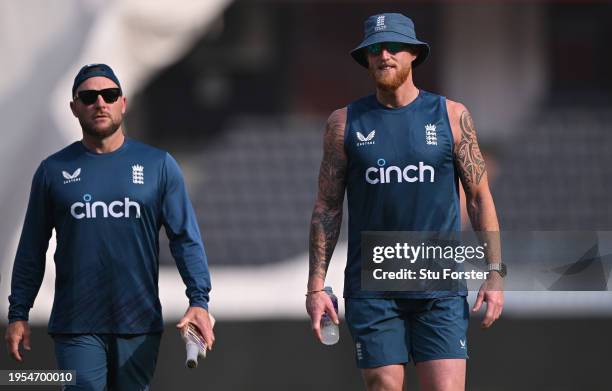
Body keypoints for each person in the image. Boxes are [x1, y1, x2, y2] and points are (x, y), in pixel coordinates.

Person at [306, 13, 505, 391]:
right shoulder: (343, 123)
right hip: (374, 285)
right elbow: (326, 207)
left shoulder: (452, 116)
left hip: (438, 283)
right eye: (374, 49)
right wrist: (316, 285)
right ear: (366, 60)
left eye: (394, 46)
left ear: (413, 54)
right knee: (383, 384)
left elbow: (479, 198)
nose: (384, 55)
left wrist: (495, 271)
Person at [5, 64, 214, 390]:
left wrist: (199, 301)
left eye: (109, 95)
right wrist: (19, 312)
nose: (100, 103)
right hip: (76, 324)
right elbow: (32, 247)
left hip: (138, 322)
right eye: (88, 97)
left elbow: (185, 239)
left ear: (123, 103)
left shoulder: (158, 165)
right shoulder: (53, 171)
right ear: (74, 108)